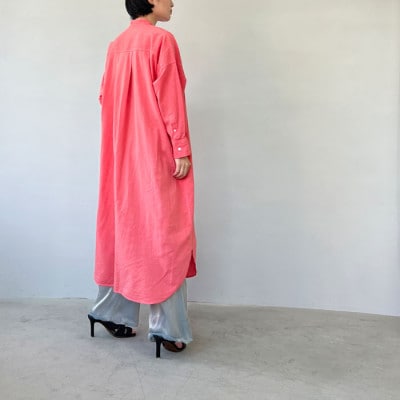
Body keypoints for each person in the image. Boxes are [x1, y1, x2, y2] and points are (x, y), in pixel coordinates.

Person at [88, 0, 196, 359]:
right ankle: (167, 328)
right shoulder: (161, 41)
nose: (173, 2)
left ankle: (109, 310)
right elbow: (170, 100)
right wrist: (180, 147)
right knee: (165, 233)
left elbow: (104, 97)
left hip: (120, 154)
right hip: (153, 152)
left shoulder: (116, 46)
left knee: (125, 227)